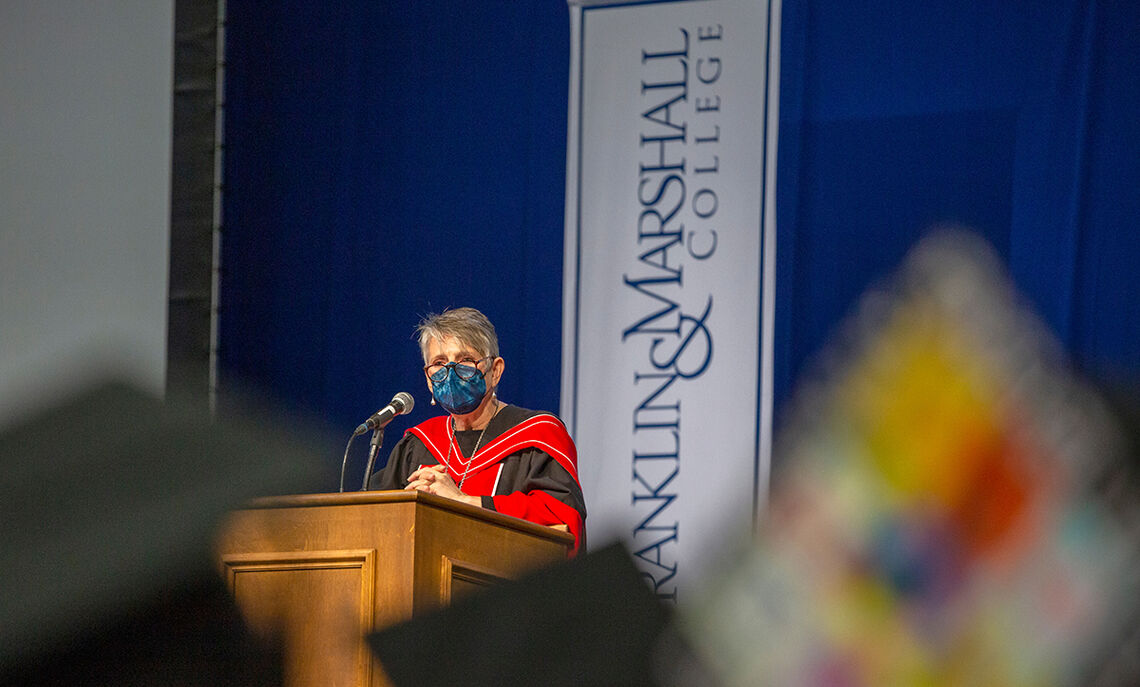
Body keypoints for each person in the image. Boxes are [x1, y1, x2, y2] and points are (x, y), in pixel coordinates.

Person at [368, 307, 586, 554]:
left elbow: (562, 519)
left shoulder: (538, 436)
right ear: (429, 380)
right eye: (438, 363)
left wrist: (464, 501)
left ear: (495, 371)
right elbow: (375, 522)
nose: (450, 372)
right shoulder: (417, 445)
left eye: (465, 360)